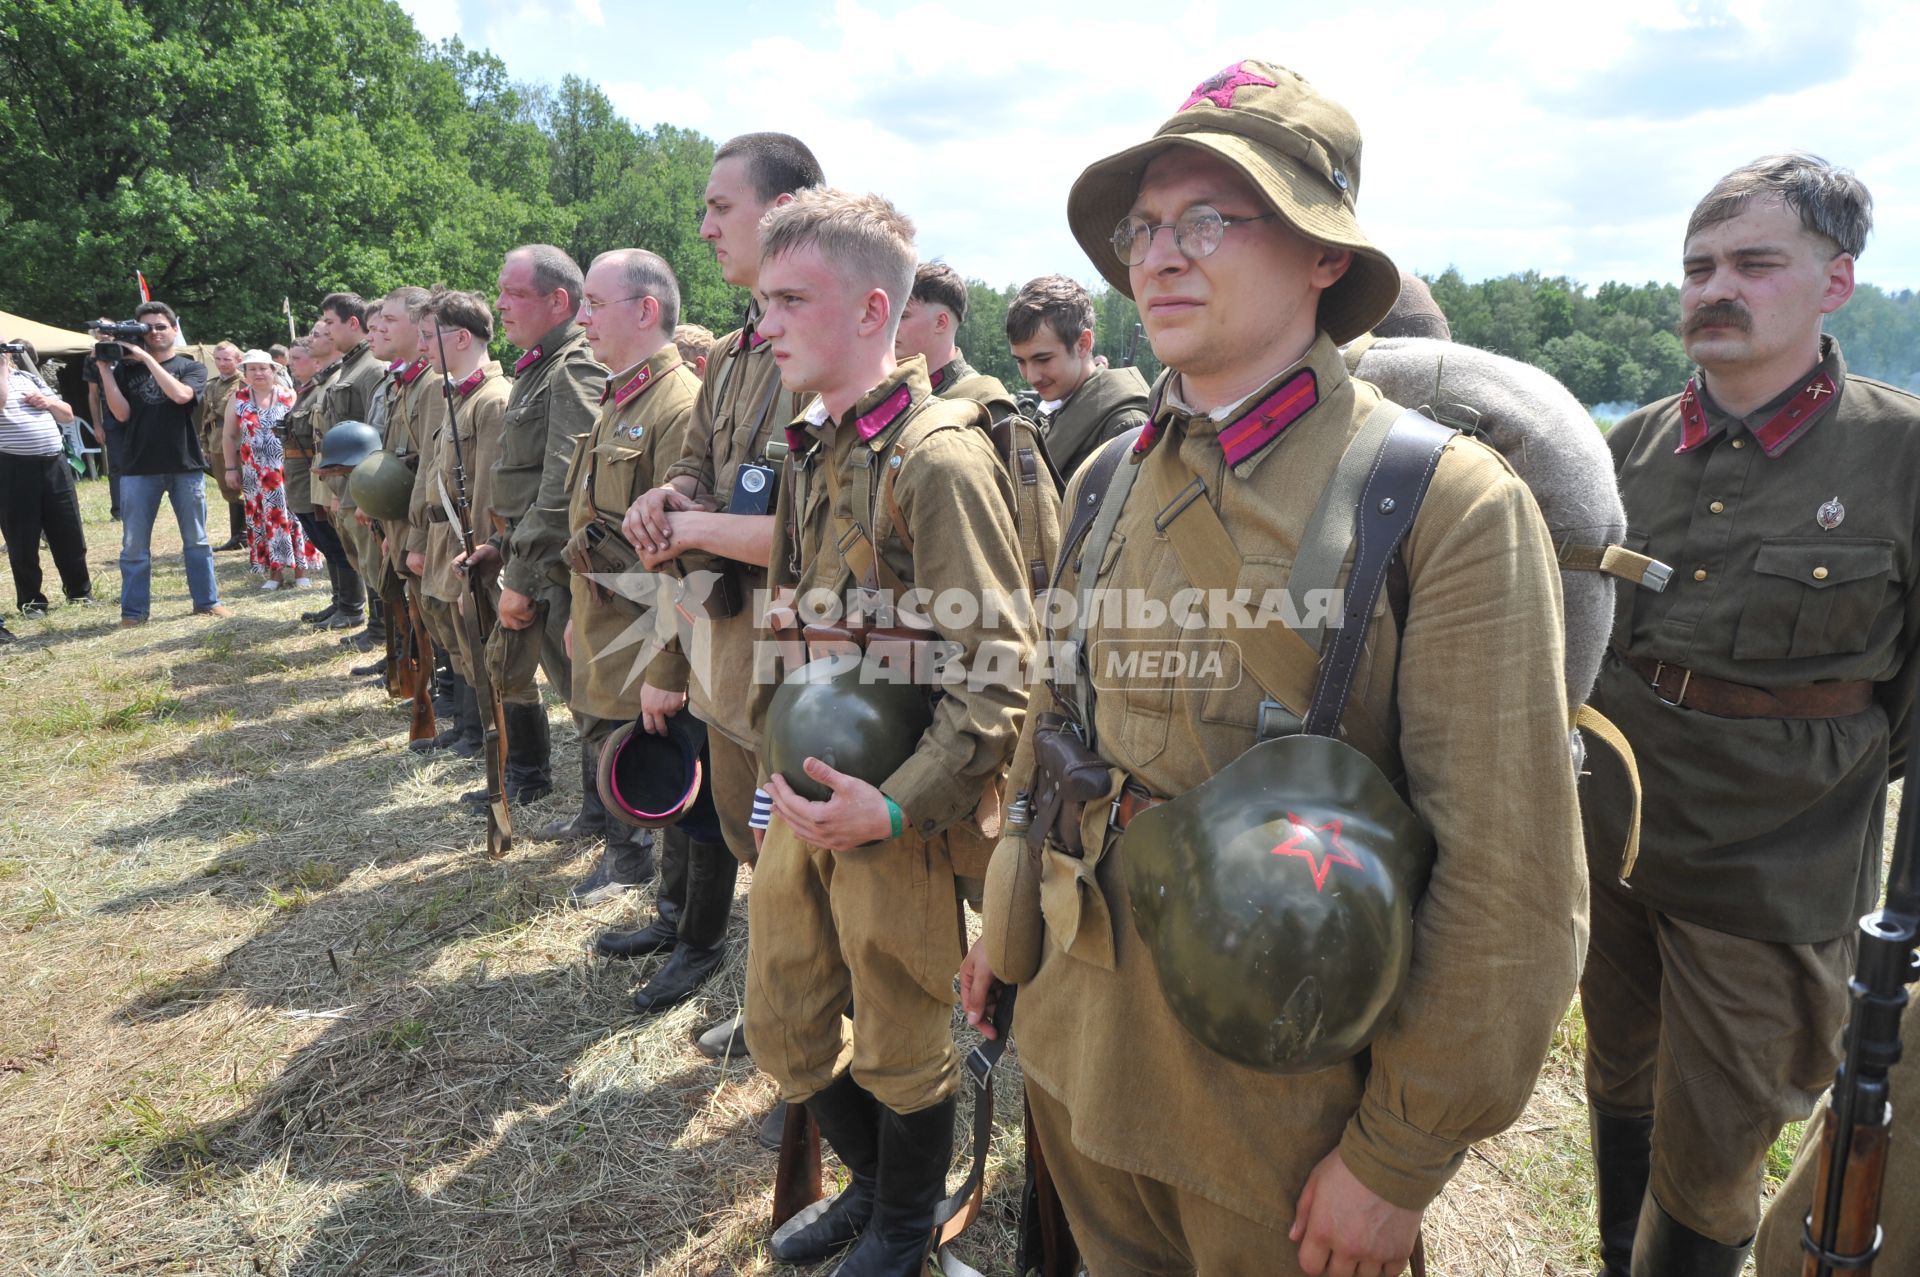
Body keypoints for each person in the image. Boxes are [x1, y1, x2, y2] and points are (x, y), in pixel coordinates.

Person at [958, 61, 1584, 1276]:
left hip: (1276, 1097)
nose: (1158, 258)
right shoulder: (1107, 476)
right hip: (1085, 1029)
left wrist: (1399, 1155)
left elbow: (1510, 883)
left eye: (1209, 221)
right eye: (1144, 228)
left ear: (1322, 258)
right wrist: (1006, 919)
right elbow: (1054, 726)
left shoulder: (1441, 501)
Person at [1578, 154, 1920, 1275]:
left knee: (1719, 1141)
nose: (1715, 288)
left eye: (1754, 263)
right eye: (1698, 267)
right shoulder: (1618, 454)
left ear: (1836, 283)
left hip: (1774, 863)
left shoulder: (1899, 455)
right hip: (1614, 830)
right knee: (1617, 1065)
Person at [731, 188, 1035, 1274]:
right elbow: (794, 624)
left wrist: (899, 801)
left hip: (900, 803)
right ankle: (874, 1188)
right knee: (786, 1016)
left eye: (788, 299)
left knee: (902, 1031)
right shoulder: (813, 442)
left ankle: (907, 1225)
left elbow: (1002, 670)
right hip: (807, 791)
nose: (763, 321)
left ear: (871, 309)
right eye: (763, 297)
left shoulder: (937, 458)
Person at [624, 131, 823, 1077]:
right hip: (729, 661)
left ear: (783, 211)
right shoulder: (740, 354)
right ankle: (778, 1007)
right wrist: (673, 494)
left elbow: (826, 532)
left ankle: (813, 1043)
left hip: (806, 667)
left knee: (810, 872)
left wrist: (697, 527)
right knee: (758, 861)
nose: (703, 226)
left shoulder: (826, 346)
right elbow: (701, 460)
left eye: (720, 208)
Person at [553, 249, 712, 956]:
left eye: (593, 302)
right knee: (617, 752)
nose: (581, 317)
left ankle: (679, 921)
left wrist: (669, 662)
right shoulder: (622, 395)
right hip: (607, 619)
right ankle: (658, 898)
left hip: (651, 632)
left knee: (671, 779)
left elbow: (685, 560)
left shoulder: (676, 406)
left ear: (645, 311)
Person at [457, 245, 606, 815]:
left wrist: (519, 570)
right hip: (534, 557)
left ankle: (612, 828)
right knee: (575, 693)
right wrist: (500, 546)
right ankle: (590, 813)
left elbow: (566, 485)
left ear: (559, 301)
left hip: (560, 567)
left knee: (590, 698)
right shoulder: (539, 368)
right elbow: (527, 481)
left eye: (514, 294)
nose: (501, 306)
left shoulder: (573, 367)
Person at [408, 288, 512, 779]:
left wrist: (479, 549)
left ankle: (502, 750)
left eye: (430, 336)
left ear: (462, 337)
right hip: (443, 538)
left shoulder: (492, 400)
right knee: (460, 645)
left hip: (468, 543)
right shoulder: (458, 396)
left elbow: (488, 487)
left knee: (482, 647)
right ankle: (474, 731)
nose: (423, 346)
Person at [95, 301, 228, 625]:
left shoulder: (190, 367)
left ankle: (206, 601)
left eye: (160, 326)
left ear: (173, 329)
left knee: (196, 540)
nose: (153, 333)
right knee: (134, 545)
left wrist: (144, 358)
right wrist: (103, 366)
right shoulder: (124, 370)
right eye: (147, 327)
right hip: (138, 467)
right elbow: (121, 413)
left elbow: (181, 396)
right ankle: (134, 612)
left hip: (184, 465)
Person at [1004, 273, 1149, 480]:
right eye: (1021, 361)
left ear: (1082, 344)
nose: (1031, 376)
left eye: (1043, 359)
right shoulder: (1057, 410)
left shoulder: (1124, 425)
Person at [313, 293, 389, 653]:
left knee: (375, 565)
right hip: (345, 484)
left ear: (351, 323)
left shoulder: (371, 368)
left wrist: (366, 494)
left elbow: (376, 436)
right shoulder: (350, 367)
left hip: (362, 486)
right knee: (363, 562)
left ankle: (383, 631)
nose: (325, 330)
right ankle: (381, 630)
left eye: (330, 322)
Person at [0, 344, 93, 615]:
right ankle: (32, 601)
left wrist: (48, 402)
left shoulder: (29, 377)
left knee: (69, 530)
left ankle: (79, 592)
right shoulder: (4, 376)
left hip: (54, 462)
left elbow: (67, 414)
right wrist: (2, 366)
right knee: (22, 538)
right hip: (12, 466)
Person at [222, 349, 315, 590]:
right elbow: (229, 435)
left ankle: (301, 570)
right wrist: (230, 468)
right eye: (252, 369)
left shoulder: (289, 395)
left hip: (287, 470)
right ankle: (275, 575)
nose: (258, 373)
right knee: (263, 520)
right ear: (245, 373)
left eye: (263, 368)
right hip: (255, 473)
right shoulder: (238, 398)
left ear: (274, 370)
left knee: (294, 517)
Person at [287, 323, 359, 628]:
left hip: (322, 475)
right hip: (308, 474)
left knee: (338, 545)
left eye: (321, 332)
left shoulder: (335, 381)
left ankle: (351, 607)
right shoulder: (320, 383)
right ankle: (340, 602)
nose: (315, 337)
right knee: (330, 545)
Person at [199, 341, 248, 551]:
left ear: (238, 360)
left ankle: (247, 534)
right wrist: (204, 443)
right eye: (218, 359)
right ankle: (238, 535)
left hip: (238, 441)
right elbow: (205, 417)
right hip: (216, 440)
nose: (222, 364)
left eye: (227, 359)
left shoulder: (244, 383)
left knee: (243, 488)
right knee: (228, 489)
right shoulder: (212, 385)